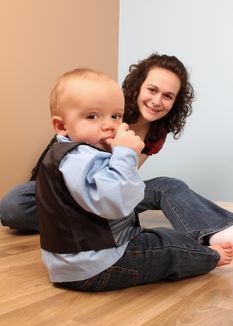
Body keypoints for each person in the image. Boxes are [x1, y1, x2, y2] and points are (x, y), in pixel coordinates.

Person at [1, 53, 233, 245]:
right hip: (66, 189)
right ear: (138, 87)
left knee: (169, 186)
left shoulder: (155, 135)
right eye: (152, 90)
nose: (157, 101)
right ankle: (85, 223)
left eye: (167, 96)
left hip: (109, 191)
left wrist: (125, 152)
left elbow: (126, 178)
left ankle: (217, 231)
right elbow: (56, 162)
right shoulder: (104, 110)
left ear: (175, 103)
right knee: (14, 204)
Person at [36, 67, 232, 291]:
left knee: (166, 196)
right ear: (61, 126)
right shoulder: (81, 156)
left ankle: (216, 229)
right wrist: (125, 155)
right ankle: (210, 256)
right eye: (92, 116)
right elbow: (119, 204)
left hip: (69, 264)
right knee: (167, 244)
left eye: (115, 116)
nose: (109, 124)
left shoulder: (79, 150)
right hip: (97, 265)